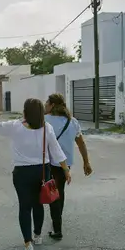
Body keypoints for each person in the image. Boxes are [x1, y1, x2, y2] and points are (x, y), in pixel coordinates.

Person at [0, 98, 72, 250]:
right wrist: (66, 170)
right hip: (42, 171)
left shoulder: (15, 126)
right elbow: (56, 150)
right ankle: (38, 235)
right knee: (38, 203)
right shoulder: (46, 128)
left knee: (25, 207)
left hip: (22, 173)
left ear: (25, 112)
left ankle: (28, 244)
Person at [44, 93, 92, 240]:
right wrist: (86, 162)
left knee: (52, 193)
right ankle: (57, 224)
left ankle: (57, 227)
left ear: (52, 105)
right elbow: (81, 143)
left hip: (49, 163)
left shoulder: (45, 120)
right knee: (59, 192)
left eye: (47, 103)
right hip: (66, 164)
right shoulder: (72, 121)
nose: (45, 105)